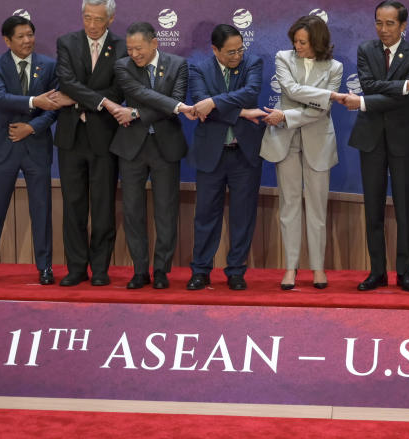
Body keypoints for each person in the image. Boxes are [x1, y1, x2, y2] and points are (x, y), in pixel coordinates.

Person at [0, 16, 67, 286]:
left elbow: (55, 106)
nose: (27, 41)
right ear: (7, 40)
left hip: (36, 146)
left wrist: (32, 127)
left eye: (30, 35)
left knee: (41, 208)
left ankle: (45, 267)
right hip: (3, 146)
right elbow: (0, 98)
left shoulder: (49, 66)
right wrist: (35, 101)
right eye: (21, 36)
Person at [343, 0, 409, 293]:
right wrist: (407, 85)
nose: (383, 29)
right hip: (370, 138)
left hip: (403, 138)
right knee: (373, 208)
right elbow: (369, 85)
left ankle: (404, 273)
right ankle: (377, 271)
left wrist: (389, 94)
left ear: (403, 26)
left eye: (390, 23)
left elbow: (396, 99)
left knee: (405, 207)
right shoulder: (366, 50)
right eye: (378, 23)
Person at [259, 15, 343, 290]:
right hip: (285, 141)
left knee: (318, 208)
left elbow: (323, 111)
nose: (297, 46)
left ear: (317, 42)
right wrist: (323, 96)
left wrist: (287, 114)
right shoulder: (283, 58)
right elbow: (291, 89)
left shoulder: (335, 67)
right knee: (289, 206)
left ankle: (318, 269)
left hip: (318, 141)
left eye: (303, 42)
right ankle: (290, 269)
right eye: (295, 40)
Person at [53, 0, 128, 287]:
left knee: (103, 205)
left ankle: (100, 268)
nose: (92, 25)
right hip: (71, 136)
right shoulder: (67, 42)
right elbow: (66, 82)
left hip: (104, 137)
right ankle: (75, 268)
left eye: (98, 19)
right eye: (87, 17)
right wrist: (102, 101)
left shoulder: (122, 47)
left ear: (110, 18)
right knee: (73, 205)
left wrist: (82, 99)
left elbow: (119, 90)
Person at [110, 22, 192, 289]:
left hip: (165, 146)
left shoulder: (178, 64)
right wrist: (176, 106)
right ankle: (139, 270)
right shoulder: (123, 66)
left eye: (139, 48)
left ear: (154, 43)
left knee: (166, 211)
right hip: (132, 147)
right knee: (133, 211)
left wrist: (135, 113)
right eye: (130, 48)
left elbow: (173, 101)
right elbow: (139, 93)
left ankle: (161, 270)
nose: (134, 53)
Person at [185, 24, 266, 291]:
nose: (237, 56)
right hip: (212, 154)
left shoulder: (253, 63)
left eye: (240, 49)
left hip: (244, 154)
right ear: (215, 50)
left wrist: (215, 102)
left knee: (243, 215)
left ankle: (236, 271)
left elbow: (251, 93)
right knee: (206, 214)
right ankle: (200, 270)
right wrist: (241, 112)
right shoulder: (198, 68)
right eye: (230, 52)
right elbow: (199, 103)